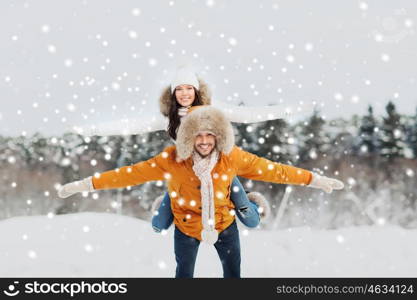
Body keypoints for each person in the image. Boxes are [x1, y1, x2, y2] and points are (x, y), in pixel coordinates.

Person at [58, 106, 344, 278]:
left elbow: (276, 170)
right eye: (199, 134)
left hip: (224, 223)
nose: (205, 141)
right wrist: (85, 184)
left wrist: (315, 180)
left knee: (233, 273)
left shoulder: (233, 157)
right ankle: (167, 203)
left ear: (218, 136)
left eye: (210, 135)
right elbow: (127, 175)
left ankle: (251, 205)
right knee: (183, 274)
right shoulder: (171, 160)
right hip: (187, 225)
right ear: (189, 136)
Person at [75, 67, 292, 232]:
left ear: (197, 90)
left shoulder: (214, 109)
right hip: (186, 173)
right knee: (158, 224)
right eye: (179, 89)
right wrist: (92, 130)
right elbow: (132, 125)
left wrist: (288, 109)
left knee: (252, 221)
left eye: (189, 88)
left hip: (218, 169)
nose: (184, 93)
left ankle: (251, 201)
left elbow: (249, 115)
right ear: (173, 93)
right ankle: (167, 203)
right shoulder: (168, 117)